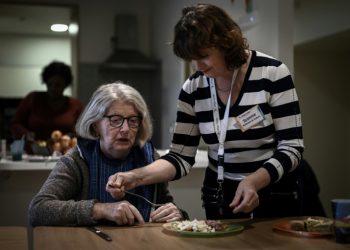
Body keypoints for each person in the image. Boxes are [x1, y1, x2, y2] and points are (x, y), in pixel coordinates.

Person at [106, 4, 304, 220]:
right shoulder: (193, 89)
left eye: (204, 56)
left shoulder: (272, 73)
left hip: (274, 190)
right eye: (192, 58)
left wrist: (254, 180)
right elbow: (180, 157)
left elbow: (292, 147)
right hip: (220, 195)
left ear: (227, 43)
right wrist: (134, 177)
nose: (198, 66)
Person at [28, 82, 187, 226]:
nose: (125, 129)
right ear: (95, 124)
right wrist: (100, 209)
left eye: (132, 120)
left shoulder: (149, 158)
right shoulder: (78, 158)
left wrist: (178, 214)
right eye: (115, 120)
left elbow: (165, 206)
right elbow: (38, 210)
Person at [10, 61, 83, 144]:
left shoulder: (75, 105)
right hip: (33, 153)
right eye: (50, 84)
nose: (53, 88)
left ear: (65, 85)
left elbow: (84, 131)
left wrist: (73, 136)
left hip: (64, 153)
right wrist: (26, 134)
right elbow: (15, 123)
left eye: (58, 85)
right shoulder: (33, 98)